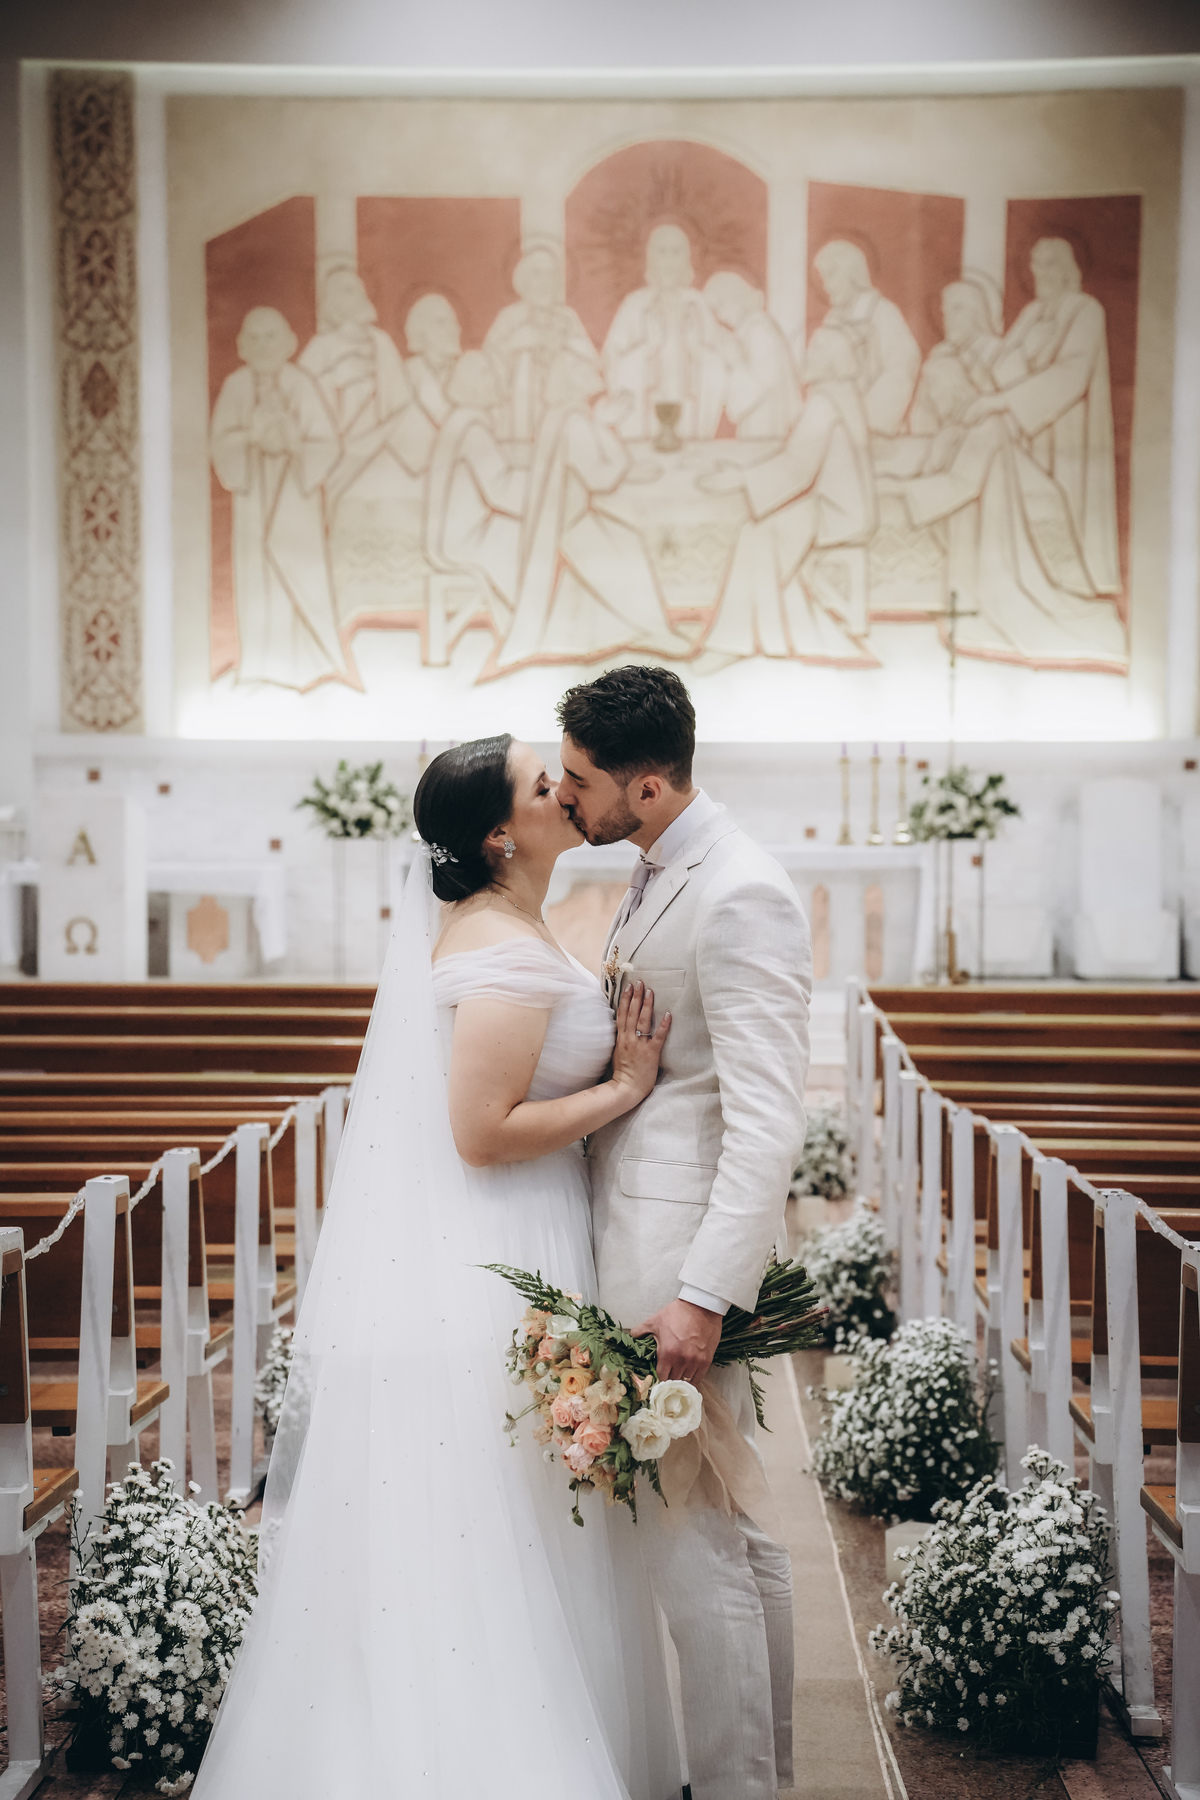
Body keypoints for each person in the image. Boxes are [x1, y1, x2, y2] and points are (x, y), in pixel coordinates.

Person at [192, 735, 682, 1799]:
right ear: (501, 834)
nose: (566, 791)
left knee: (509, 1511)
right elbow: (480, 1132)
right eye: (545, 784)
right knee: (498, 1516)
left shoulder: (511, 924)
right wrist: (624, 1087)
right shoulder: (500, 945)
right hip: (500, 1245)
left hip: (520, 1235)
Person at [557, 665, 812, 1800]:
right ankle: (760, 1775)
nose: (567, 797)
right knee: (733, 1534)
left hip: (675, 1264)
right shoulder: (663, 862)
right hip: (649, 1238)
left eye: (581, 780)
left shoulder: (741, 890)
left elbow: (767, 1120)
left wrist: (704, 1295)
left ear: (648, 786)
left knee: (692, 1547)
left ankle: (736, 1784)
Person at [700, 327, 876, 656]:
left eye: (817, 350)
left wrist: (741, 478)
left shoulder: (824, 402)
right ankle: (750, 636)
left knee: (757, 534)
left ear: (832, 361)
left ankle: (739, 640)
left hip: (833, 510)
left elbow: (797, 465)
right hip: (836, 504)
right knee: (758, 532)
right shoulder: (842, 394)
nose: (808, 356)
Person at [209, 305, 358, 691]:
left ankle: (311, 665)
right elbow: (221, 443)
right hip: (252, 501)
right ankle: (259, 667)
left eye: (271, 336)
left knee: (300, 573)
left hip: (296, 499)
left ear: (290, 343)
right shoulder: (236, 386)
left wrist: (292, 440)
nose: (263, 346)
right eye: (254, 338)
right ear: (241, 346)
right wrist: (252, 436)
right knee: (257, 579)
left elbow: (326, 443)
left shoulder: (301, 384)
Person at [601, 224, 726, 441]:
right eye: (662, 252)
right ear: (651, 259)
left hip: (690, 401)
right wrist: (648, 347)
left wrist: (695, 349)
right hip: (644, 407)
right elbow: (612, 359)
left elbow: (719, 361)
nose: (669, 261)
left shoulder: (698, 304)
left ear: (686, 259)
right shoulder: (634, 304)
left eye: (676, 253)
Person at [483, 244, 602, 442]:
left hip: (561, 413)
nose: (544, 282)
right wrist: (520, 341)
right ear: (523, 280)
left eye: (550, 275)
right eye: (537, 274)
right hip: (518, 413)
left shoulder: (567, 318)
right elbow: (489, 363)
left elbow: (591, 361)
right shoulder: (509, 318)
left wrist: (563, 345)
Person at [809, 239, 920, 438]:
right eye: (823, 278)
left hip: (871, 428)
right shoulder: (832, 319)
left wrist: (871, 423)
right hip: (834, 427)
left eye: (831, 275)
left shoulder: (882, 312)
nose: (826, 286)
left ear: (852, 274)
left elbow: (901, 368)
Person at [704, 271, 800, 440]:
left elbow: (754, 390)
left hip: (766, 424)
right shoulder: (750, 329)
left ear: (738, 298)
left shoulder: (759, 330)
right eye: (715, 310)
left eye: (721, 305)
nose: (720, 316)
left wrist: (735, 361)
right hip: (759, 423)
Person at [405, 292, 465, 429]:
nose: (453, 329)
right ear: (421, 331)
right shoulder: (406, 374)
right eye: (441, 323)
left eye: (454, 322)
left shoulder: (466, 371)